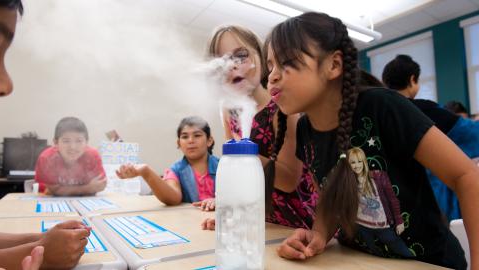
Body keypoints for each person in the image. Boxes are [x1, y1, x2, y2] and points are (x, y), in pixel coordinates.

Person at [266, 12, 478, 269]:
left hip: (430, 263)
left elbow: (467, 176)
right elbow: (329, 197)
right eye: (270, 66)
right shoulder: (304, 129)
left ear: (333, 65)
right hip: (362, 262)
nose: (272, 77)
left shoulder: (382, 106)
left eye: (286, 62)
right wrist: (318, 234)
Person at [0, 1, 91, 269]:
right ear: (54, 144)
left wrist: (41, 238)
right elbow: (50, 189)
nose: (7, 85)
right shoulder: (47, 158)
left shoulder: (92, 156)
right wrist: (41, 252)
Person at [202, 25, 317, 230]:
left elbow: (289, 180)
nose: (231, 67)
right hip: (259, 221)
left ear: (263, 60)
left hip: (297, 223)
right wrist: (227, 207)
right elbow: (236, 175)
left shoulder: (283, 108)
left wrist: (243, 152)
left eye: (241, 56)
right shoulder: (229, 112)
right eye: (221, 63)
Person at [382, 54, 479, 221]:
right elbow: (471, 134)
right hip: (432, 202)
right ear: (413, 80)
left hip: (391, 205)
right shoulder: (425, 110)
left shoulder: (378, 115)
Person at [116, 116, 219, 210]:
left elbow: (234, 195)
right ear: (179, 143)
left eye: (197, 135)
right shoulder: (175, 170)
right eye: (184, 137)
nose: (190, 140)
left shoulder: (223, 166)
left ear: (209, 141)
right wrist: (146, 172)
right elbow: (173, 198)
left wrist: (219, 201)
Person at [348, 147, 412, 258]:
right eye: (353, 162)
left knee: (403, 253)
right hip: (362, 226)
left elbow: (393, 199)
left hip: (382, 226)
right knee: (374, 255)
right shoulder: (349, 181)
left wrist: (399, 220)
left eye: (359, 161)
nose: (357, 165)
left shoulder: (379, 176)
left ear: (364, 162)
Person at [35, 116, 107, 196]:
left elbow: (100, 185)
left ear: (86, 142)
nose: (73, 147)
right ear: (56, 143)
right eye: (66, 141)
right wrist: (87, 188)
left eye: (79, 141)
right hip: (55, 202)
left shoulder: (92, 156)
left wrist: (66, 190)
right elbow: (54, 190)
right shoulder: (46, 158)